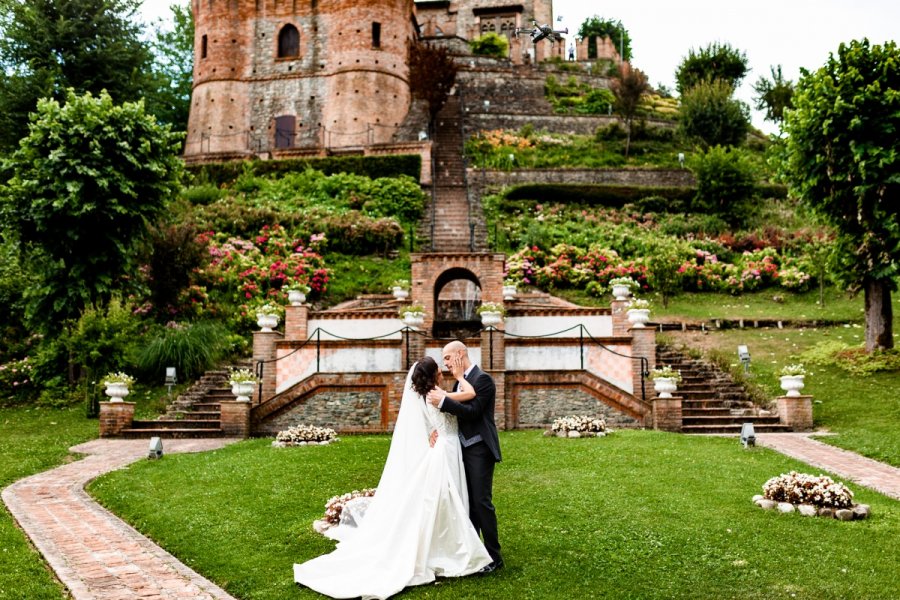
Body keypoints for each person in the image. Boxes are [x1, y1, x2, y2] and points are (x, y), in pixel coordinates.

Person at [293, 356, 491, 599]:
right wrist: (461, 378)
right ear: (432, 375)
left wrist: (434, 431)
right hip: (446, 451)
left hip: (446, 447)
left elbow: (438, 420)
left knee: (444, 499)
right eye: (439, 370)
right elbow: (470, 395)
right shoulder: (435, 395)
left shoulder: (430, 394)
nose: (442, 373)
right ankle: (446, 548)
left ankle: (447, 544)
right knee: (444, 498)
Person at [426, 340, 503, 573]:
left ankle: (494, 557)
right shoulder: (462, 383)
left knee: (481, 502)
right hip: (460, 449)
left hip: (480, 449)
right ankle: (475, 552)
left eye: (448, 358)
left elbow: (473, 412)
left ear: (461, 354)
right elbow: (457, 417)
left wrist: (445, 403)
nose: (446, 364)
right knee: (468, 503)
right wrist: (439, 428)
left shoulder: (483, 380)